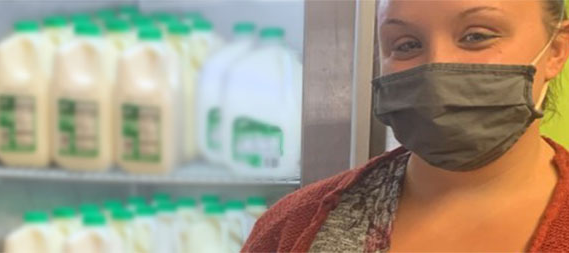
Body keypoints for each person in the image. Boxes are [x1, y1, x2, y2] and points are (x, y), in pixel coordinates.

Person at [242, 0, 569, 252]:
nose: (438, 66)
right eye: (406, 44)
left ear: (556, 51)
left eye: (476, 36)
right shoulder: (290, 227)